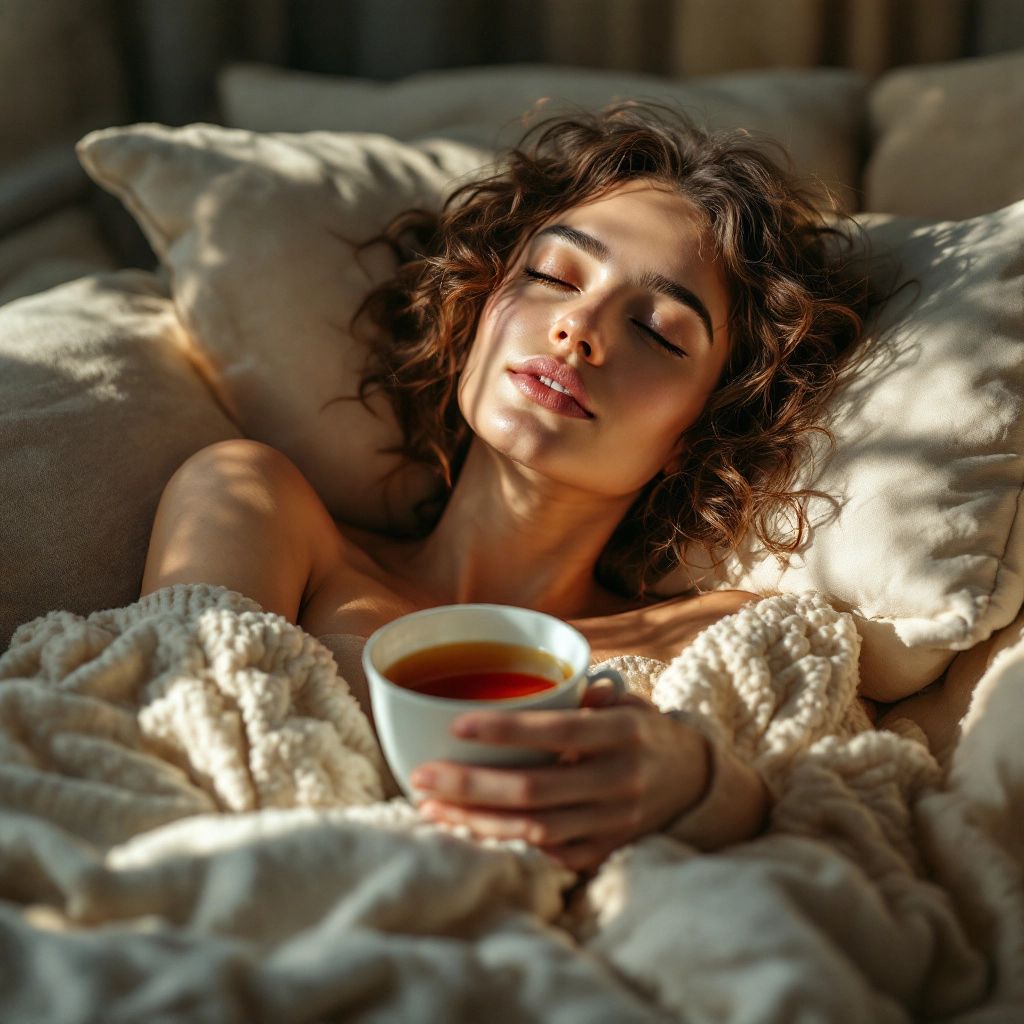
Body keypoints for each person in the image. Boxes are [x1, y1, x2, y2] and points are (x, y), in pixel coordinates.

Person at [140, 104, 871, 874]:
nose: (577, 328)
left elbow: (846, 838)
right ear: (484, 302)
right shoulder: (262, 507)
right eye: (554, 276)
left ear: (700, 427)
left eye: (657, 330)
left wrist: (703, 792)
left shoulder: (733, 636)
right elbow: (153, 740)